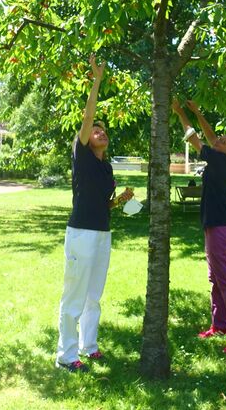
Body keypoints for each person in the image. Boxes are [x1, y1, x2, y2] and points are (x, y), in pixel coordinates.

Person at [55, 55, 134, 373]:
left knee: (93, 296)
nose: (100, 132)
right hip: (81, 234)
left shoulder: (106, 166)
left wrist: (120, 201)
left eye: (103, 131)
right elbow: (88, 116)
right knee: (74, 296)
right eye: (95, 131)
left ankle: (88, 346)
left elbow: (103, 203)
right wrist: (97, 80)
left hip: (102, 233)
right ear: (86, 139)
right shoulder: (82, 155)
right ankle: (65, 355)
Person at [172, 98, 226, 354]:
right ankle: (220, 325)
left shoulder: (220, 160)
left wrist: (180, 113)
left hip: (219, 226)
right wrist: (198, 111)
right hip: (215, 225)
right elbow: (209, 137)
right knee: (216, 278)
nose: (217, 141)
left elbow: (193, 138)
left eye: (223, 142)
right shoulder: (224, 159)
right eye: (219, 140)